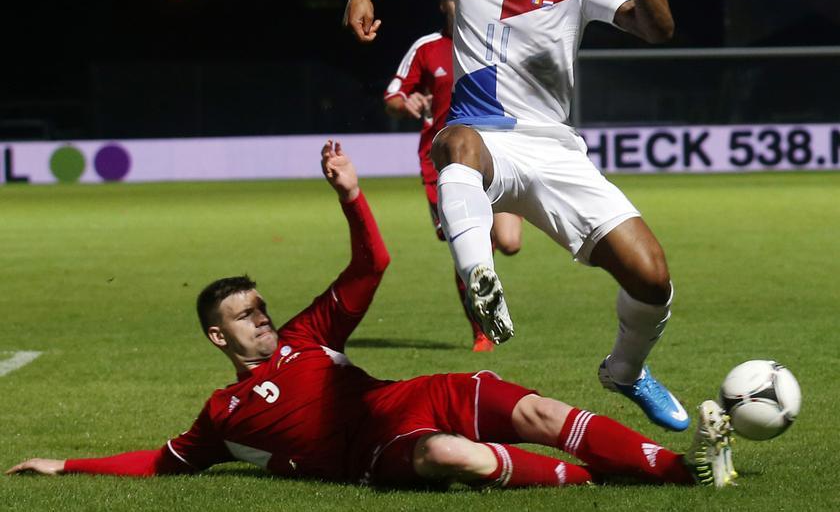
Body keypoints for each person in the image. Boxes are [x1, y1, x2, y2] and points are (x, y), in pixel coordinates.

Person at [6, 140, 735, 489]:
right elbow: (158, 463)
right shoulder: (223, 416)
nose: (261, 318)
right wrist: (65, 462)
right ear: (216, 335)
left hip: (414, 396)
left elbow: (371, 266)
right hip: (383, 453)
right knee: (451, 456)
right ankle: (595, 481)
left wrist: (351, 196)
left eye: (260, 307)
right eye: (244, 314)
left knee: (541, 413)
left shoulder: (307, 336)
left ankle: (685, 469)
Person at [343, 0, 689, 431]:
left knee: (652, 277)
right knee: (453, 142)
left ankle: (625, 371)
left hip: (555, 151)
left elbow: (659, 29)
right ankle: (481, 279)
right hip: (485, 141)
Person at [384, 0, 523, 352]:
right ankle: (481, 329)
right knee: (466, 243)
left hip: (496, 154)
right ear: (443, 3)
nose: (460, 4)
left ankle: (485, 242)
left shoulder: (495, 41)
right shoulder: (427, 48)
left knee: (509, 242)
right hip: (444, 163)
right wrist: (406, 101)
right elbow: (393, 97)